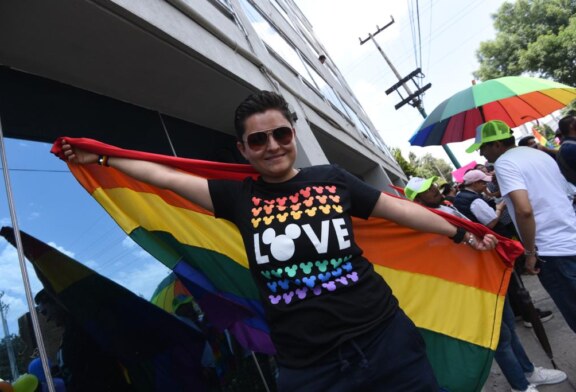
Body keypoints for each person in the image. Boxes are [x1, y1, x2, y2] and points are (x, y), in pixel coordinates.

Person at [62, 90, 498, 391]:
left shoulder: (331, 179)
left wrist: (460, 231)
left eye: (281, 134)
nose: (272, 145)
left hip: (386, 342)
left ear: (291, 134)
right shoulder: (237, 196)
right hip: (311, 368)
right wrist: (101, 156)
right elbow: (164, 176)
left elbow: (398, 210)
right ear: (244, 150)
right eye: (259, 139)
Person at [405, 177, 566, 392]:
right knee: (499, 339)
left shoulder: (447, 206)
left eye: (433, 185)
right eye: (427, 190)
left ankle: (528, 371)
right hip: (469, 286)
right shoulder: (425, 222)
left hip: (487, 276)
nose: (434, 189)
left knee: (509, 327)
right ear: (417, 200)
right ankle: (521, 386)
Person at [468, 119, 576, 335]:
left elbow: (524, 210)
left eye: (483, 147)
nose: (481, 155)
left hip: (551, 251)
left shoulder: (504, 164)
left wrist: (529, 253)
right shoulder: (539, 154)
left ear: (497, 144)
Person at [34, 289, 133, 392]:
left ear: (56, 303)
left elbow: (91, 372)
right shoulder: (69, 335)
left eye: (45, 312)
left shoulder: (82, 331)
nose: (47, 319)